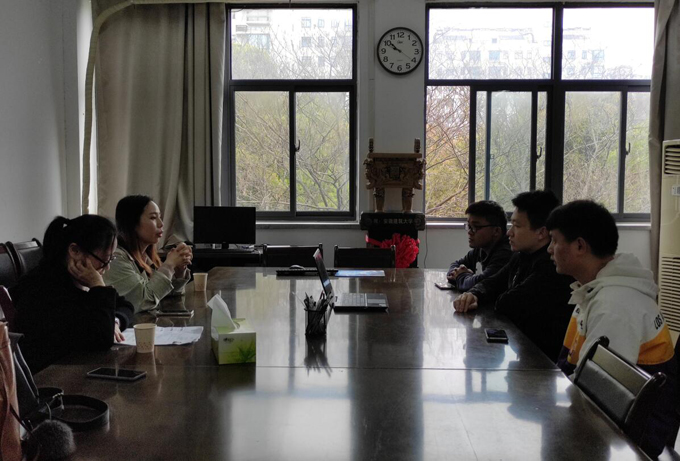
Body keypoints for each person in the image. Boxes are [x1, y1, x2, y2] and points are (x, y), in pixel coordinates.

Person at [546, 200, 677, 458]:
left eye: (554, 240)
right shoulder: (594, 289)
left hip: (630, 439)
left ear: (580, 246)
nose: (549, 249)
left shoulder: (614, 305)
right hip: (605, 421)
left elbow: (599, 397)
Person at [453, 190, 574, 362]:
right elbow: (493, 283)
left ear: (541, 233)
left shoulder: (551, 267)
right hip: (523, 351)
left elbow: (508, 304)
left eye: (516, 226)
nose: (509, 233)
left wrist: (489, 294)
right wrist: (474, 294)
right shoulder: (521, 256)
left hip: (544, 362)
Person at [10, 215, 133, 372]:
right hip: (50, 376)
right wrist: (97, 286)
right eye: (104, 260)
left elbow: (126, 305)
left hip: (75, 367)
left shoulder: (76, 281)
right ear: (75, 251)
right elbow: (101, 339)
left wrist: (115, 321)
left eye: (110, 260)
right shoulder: (45, 288)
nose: (107, 267)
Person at [104, 195, 192, 313]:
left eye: (160, 217)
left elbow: (162, 293)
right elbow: (144, 301)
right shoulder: (116, 258)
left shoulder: (145, 256)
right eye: (153, 218)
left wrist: (179, 270)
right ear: (132, 223)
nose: (161, 224)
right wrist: (169, 265)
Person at [447, 200, 512, 291]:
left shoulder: (505, 253)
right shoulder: (481, 249)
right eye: (469, 226)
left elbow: (481, 285)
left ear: (496, 231)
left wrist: (461, 276)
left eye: (475, 227)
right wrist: (462, 275)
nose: (470, 232)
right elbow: (455, 265)